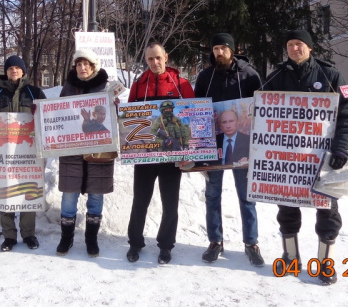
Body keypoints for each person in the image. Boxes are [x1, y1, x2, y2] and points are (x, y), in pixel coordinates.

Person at [263, 30, 348, 285]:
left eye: (299, 44)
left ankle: (325, 263)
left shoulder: (331, 75)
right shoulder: (276, 77)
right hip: (287, 159)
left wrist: (341, 149)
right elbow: (261, 114)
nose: (294, 49)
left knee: (327, 208)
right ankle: (290, 256)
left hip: (323, 158)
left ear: (310, 48)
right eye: (290, 44)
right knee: (286, 207)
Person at [193, 33, 264, 267]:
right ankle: (215, 241)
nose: (219, 53)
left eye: (223, 48)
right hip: (213, 145)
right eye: (215, 49)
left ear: (232, 50)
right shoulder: (205, 77)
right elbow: (196, 110)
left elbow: (262, 108)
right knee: (212, 195)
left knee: (246, 196)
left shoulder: (249, 75)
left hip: (243, 144)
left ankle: (251, 243)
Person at [126, 42, 195, 265]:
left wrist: (189, 151)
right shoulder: (138, 85)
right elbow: (130, 119)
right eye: (149, 59)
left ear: (166, 57)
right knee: (140, 200)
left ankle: (166, 246)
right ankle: (135, 243)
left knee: (170, 202)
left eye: (158, 58)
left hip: (172, 156)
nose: (155, 63)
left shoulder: (181, 84)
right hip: (146, 154)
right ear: (145, 61)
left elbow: (193, 118)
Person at [0, 55, 46, 252]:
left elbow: (46, 118)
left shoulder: (34, 92)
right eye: (10, 68)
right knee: (4, 192)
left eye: (17, 68)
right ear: (6, 71)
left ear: (23, 71)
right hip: (3, 154)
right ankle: (9, 236)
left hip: (28, 153)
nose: (14, 71)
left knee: (29, 190)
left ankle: (28, 234)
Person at [56, 49, 114, 258]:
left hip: (99, 149)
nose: (82, 68)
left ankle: (91, 239)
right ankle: (66, 237)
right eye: (79, 64)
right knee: (69, 194)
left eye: (86, 64)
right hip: (72, 148)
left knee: (96, 193)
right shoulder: (69, 86)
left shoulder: (105, 88)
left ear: (93, 66)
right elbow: (58, 113)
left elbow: (112, 117)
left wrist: (114, 106)